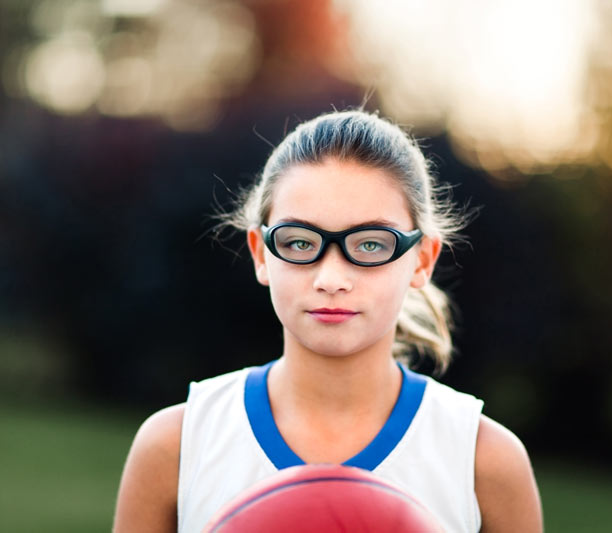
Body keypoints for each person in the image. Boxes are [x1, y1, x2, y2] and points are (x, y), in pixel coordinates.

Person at [113, 110, 543, 532]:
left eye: (371, 244)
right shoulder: (177, 447)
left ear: (422, 260)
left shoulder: (483, 462)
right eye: (299, 241)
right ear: (261, 254)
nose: (331, 279)